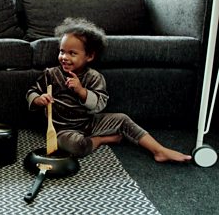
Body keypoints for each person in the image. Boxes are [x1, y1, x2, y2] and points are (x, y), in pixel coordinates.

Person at [26, 17, 191, 163]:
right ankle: (102, 140)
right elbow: (32, 91)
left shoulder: (94, 77)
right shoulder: (51, 74)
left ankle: (159, 150)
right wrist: (37, 99)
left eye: (72, 53)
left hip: (89, 122)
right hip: (62, 129)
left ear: (89, 56)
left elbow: (99, 105)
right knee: (74, 146)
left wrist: (81, 91)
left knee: (123, 119)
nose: (64, 57)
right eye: (62, 51)